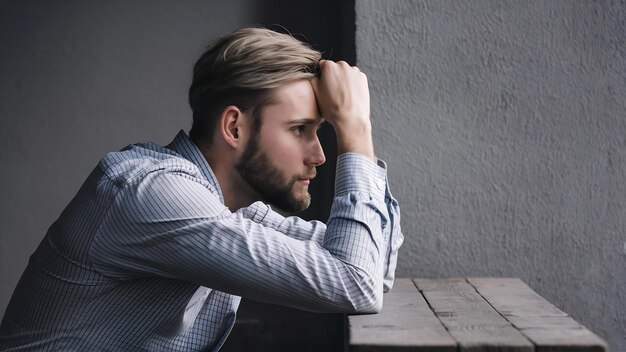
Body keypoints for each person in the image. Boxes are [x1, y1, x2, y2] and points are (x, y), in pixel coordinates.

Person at [0, 27, 403, 351]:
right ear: (233, 127)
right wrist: (355, 129)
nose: (318, 154)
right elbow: (356, 284)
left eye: (322, 131)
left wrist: (356, 130)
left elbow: (370, 264)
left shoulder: (229, 206)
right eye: (299, 130)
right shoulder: (154, 195)